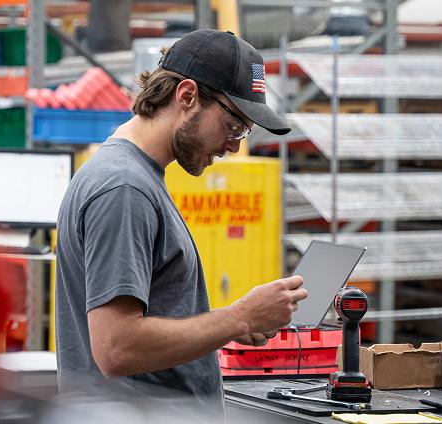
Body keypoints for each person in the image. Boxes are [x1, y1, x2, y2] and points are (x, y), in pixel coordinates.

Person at [55, 29, 308, 419]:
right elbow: (117, 348)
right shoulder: (125, 188)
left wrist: (234, 324)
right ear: (187, 96)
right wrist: (237, 316)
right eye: (233, 125)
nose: (234, 146)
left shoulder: (134, 176)